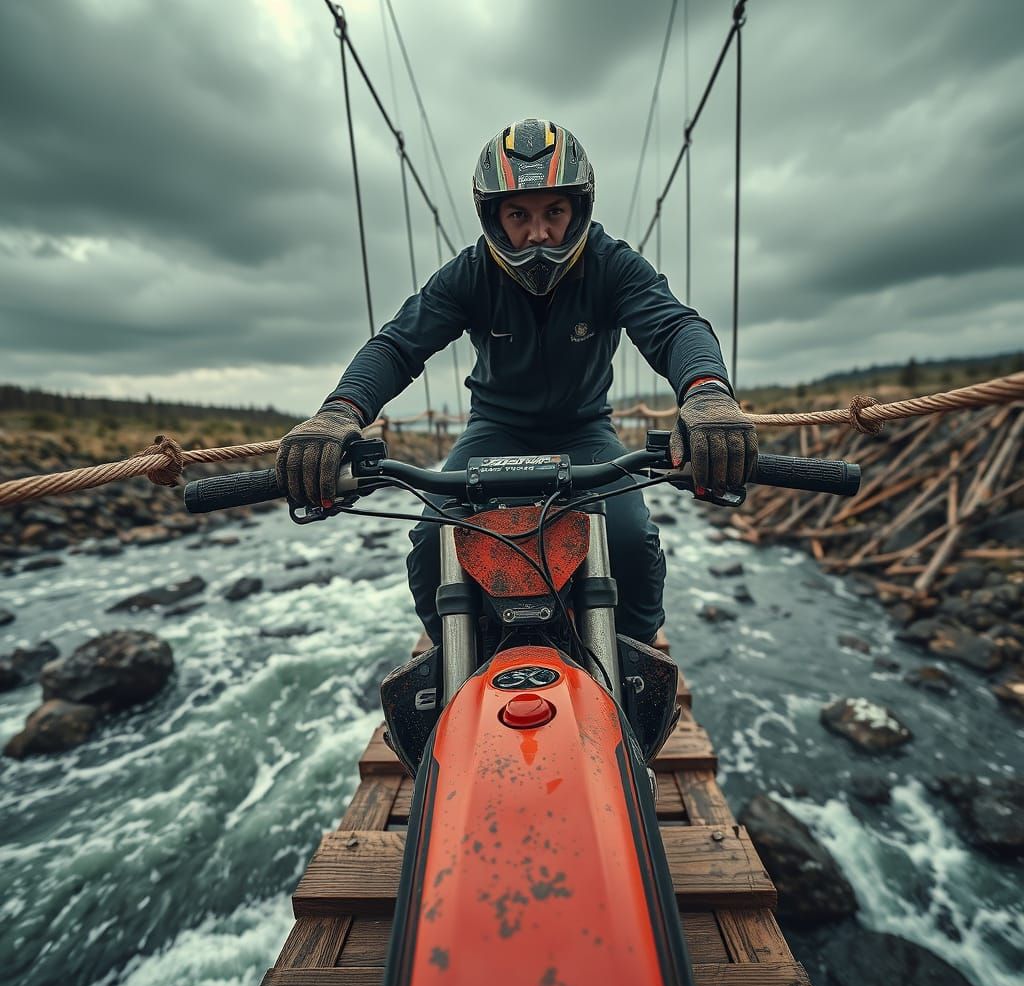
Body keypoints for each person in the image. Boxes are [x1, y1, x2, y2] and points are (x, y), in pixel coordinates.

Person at [277, 118, 757, 647]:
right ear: (493, 216)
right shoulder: (469, 273)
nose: (537, 232)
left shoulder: (611, 264)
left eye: (554, 211)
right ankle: (460, 669)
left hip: (585, 435)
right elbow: (398, 345)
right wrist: (339, 412)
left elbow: (674, 326)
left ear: (579, 209)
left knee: (630, 539)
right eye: (518, 214)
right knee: (430, 543)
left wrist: (707, 393)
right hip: (495, 432)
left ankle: (639, 669)